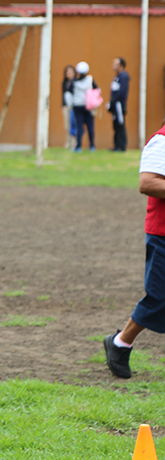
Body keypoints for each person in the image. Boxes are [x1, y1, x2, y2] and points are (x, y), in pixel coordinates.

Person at [103, 122, 165, 379]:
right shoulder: (161, 141)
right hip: (162, 234)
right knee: (159, 297)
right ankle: (120, 343)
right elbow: (147, 183)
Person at [71, 61, 98, 153]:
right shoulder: (90, 80)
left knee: (79, 126)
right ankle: (92, 146)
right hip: (88, 106)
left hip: (77, 106)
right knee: (90, 126)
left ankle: (78, 146)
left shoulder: (74, 82)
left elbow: (70, 93)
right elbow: (97, 90)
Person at [108, 57, 130, 152]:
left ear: (121, 66)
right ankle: (117, 145)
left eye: (115, 64)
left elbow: (122, 92)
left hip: (119, 105)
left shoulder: (124, 76)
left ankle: (121, 146)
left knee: (120, 124)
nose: (113, 66)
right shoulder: (117, 77)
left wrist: (115, 101)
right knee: (116, 124)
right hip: (115, 105)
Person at [61, 65, 76, 149]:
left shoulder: (75, 82)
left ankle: (74, 142)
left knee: (73, 124)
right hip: (66, 106)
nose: (69, 74)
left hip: (74, 107)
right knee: (66, 125)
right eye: (67, 72)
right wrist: (63, 105)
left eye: (71, 72)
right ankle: (68, 141)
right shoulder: (64, 83)